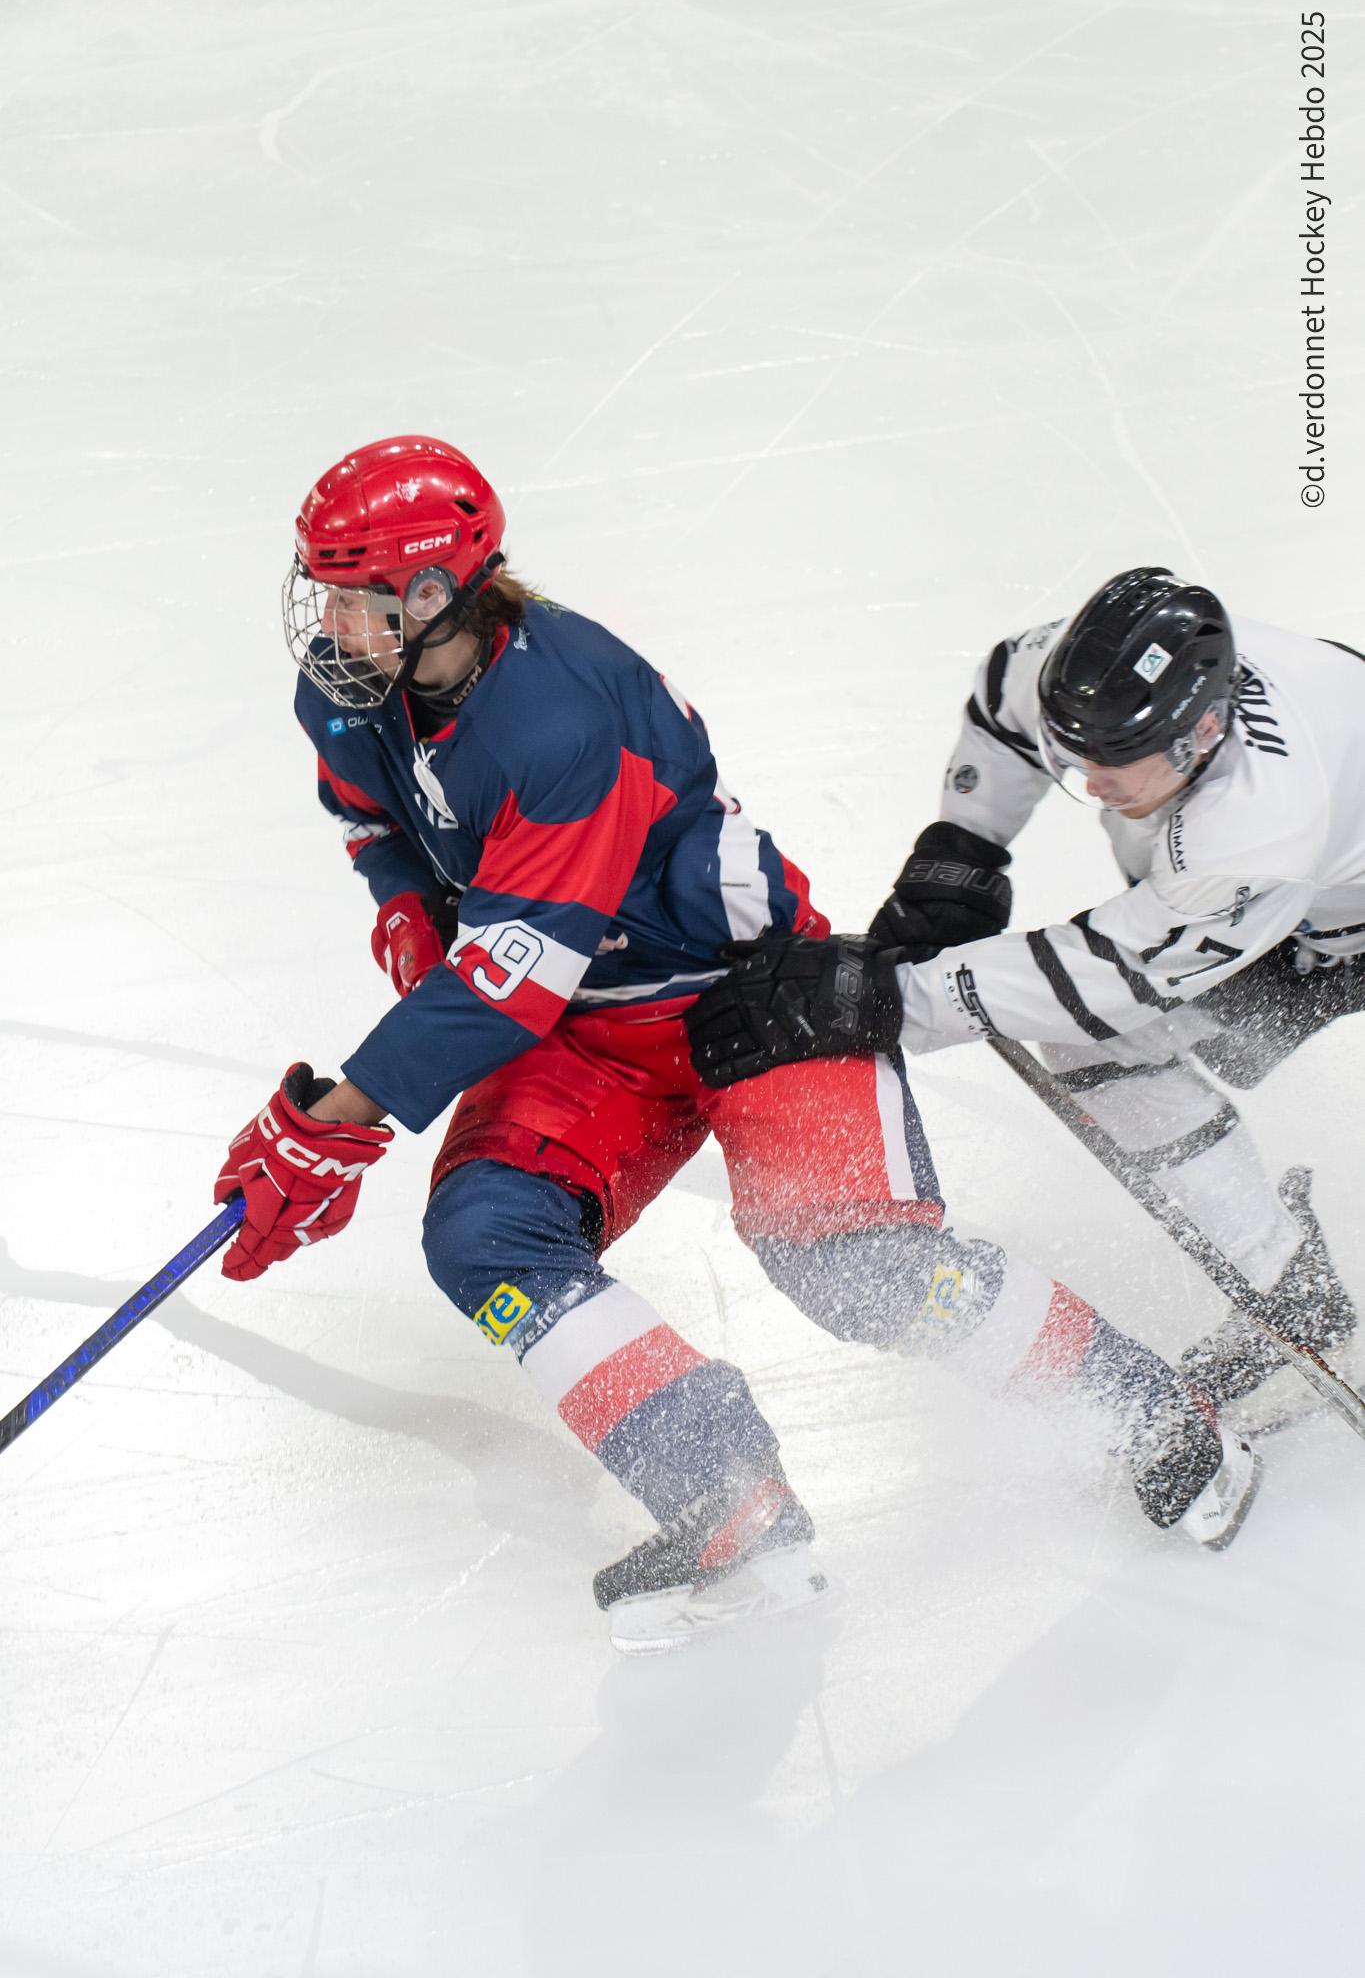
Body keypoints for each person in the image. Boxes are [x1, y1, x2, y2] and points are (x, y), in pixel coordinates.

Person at [218, 470, 1258, 1655]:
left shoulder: (562, 715)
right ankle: (727, 1495)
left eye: (354, 597)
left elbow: (511, 975)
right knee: (485, 1234)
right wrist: (406, 904)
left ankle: (1156, 1414)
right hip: (588, 1029)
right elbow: (375, 821)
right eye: (325, 593)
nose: (328, 627)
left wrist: (335, 1120)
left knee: (855, 1261)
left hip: (749, 995)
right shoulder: (353, 688)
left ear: (436, 591)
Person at [686, 567, 1361, 1420]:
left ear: (1202, 731)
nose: (1088, 781)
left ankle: (1290, 1294)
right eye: (1078, 752)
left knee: (1101, 1041)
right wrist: (963, 849)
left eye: (1114, 762)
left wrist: (886, 995)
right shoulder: (1092, 682)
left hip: (1340, 922)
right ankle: (1282, 1267)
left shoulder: (1258, 828)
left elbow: (1106, 981)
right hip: (1313, 849)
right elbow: (1006, 706)